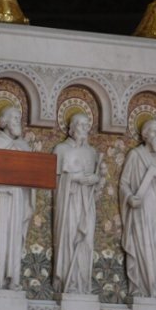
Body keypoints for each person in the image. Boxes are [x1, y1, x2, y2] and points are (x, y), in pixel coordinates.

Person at [119, 117, 156, 297]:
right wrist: (129, 198)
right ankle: (142, 289)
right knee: (142, 246)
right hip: (141, 210)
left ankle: (154, 287)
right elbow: (124, 183)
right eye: (153, 132)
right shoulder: (136, 155)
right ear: (145, 135)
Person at [0, 106, 35, 290]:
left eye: (19, 118)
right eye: (14, 118)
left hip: (18, 196)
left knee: (15, 238)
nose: (17, 122)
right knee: (0, 237)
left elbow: (32, 177)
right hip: (0, 198)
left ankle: (13, 280)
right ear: (3, 121)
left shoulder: (24, 146)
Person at [52, 112, 106, 294]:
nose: (85, 128)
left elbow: (97, 187)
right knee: (69, 238)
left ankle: (82, 284)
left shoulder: (91, 152)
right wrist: (75, 178)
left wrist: (98, 179)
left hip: (86, 204)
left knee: (86, 240)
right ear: (71, 128)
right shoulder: (61, 150)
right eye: (81, 124)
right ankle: (68, 282)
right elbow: (54, 181)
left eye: (87, 125)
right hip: (69, 202)